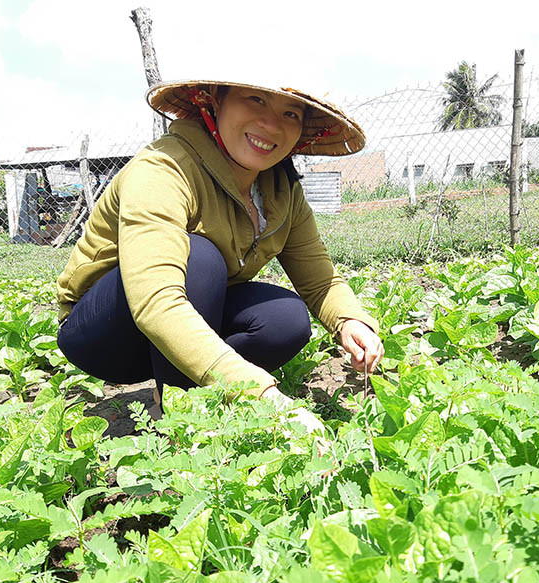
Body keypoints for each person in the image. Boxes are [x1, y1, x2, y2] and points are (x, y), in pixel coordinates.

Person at [55, 77, 384, 427]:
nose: (271, 125)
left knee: (285, 318)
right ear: (214, 100)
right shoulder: (164, 168)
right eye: (255, 100)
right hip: (107, 331)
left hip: (180, 317)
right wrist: (262, 394)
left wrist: (351, 321)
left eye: (290, 113)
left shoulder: (280, 190)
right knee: (199, 259)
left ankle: (200, 383)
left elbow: (320, 282)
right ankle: (177, 411)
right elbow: (155, 301)